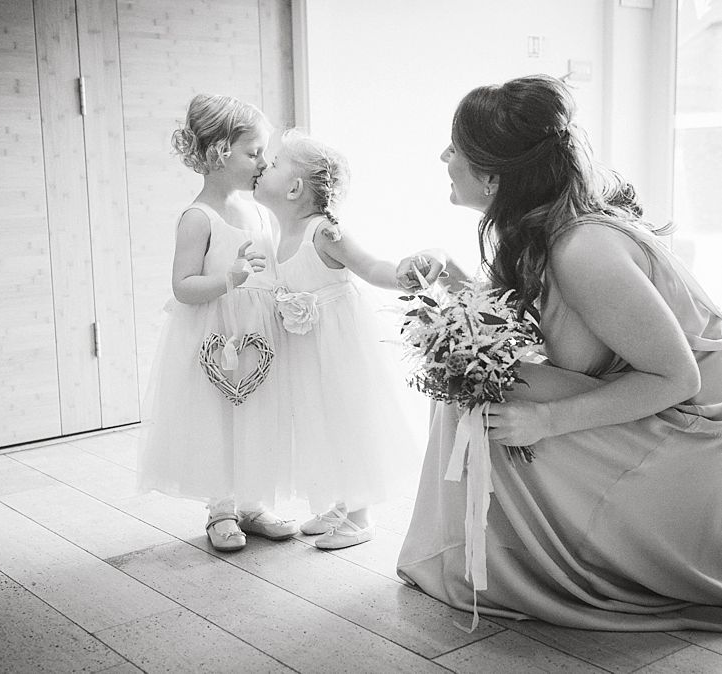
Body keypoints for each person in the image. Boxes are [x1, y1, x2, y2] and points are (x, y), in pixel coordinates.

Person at [395, 74, 722, 630]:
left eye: (457, 147)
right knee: (472, 368)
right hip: (672, 422)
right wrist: (449, 280)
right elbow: (523, 331)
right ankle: (494, 559)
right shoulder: (546, 233)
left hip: (700, 441)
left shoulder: (583, 250)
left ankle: (515, 565)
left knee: (491, 385)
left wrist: (546, 419)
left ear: (493, 176)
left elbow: (677, 379)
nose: (443, 155)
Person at [138, 94, 298, 553]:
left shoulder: (259, 211)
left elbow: (269, 269)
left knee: (258, 413)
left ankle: (253, 502)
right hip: (215, 336)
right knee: (220, 417)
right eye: (254, 153)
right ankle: (221, 509)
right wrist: (227, 280)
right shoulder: (198, 218)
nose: (263, 164)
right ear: (220, 152)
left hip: (257, 335)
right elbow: (183, 286)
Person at [253, 130, 421, 550]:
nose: (262, 167)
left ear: (294, 188)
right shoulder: (279, 236)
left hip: (340, 347)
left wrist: (400, 276)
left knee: (347, 421)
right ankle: (341, 502)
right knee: (319, 423)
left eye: (272, 163)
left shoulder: (322, 232)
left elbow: (371, 266)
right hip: (307, 350)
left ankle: (362, 515)